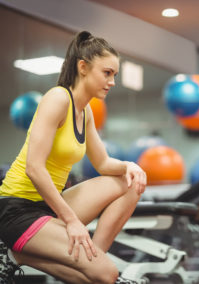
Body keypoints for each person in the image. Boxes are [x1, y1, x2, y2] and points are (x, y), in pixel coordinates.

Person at [0, 31, 146, 284]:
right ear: (83, 67)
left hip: (47, 206)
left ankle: (87, 260)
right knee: (107, 274)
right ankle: (94, 267)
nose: (112, 81)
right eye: (107, 73)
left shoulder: (85, 110)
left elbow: (102, 163)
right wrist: (72, 221)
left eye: (114, 75)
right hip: (17, 210)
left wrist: (130, 165)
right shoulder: (57, 98)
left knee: (131, 182)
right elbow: (34, 168)